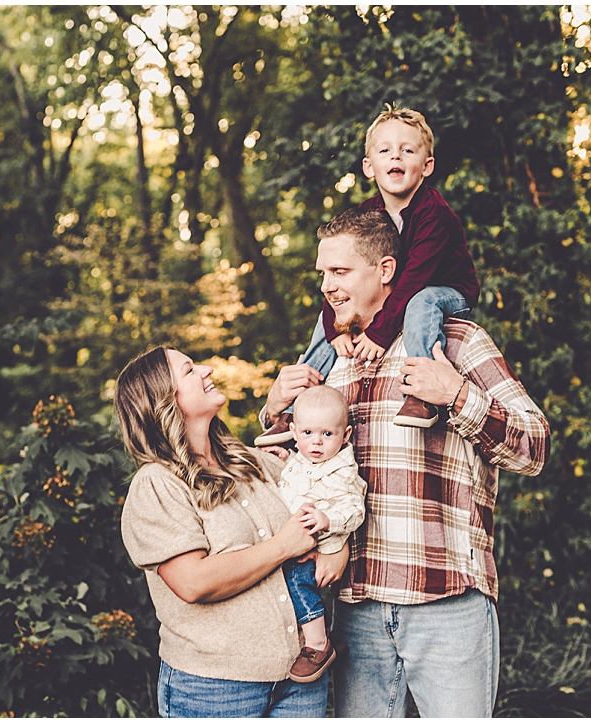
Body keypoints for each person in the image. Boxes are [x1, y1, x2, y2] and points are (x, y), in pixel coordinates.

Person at [259, 209, 550, 717]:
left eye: (340, 271)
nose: (326, 286)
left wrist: (457, 394)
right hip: (354, 608)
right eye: (323, 273)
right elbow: (290, 467)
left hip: (446, 602)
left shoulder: (455, 342)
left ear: (385, 270)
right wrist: (273, 409)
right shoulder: (329, 360)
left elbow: (534, 446)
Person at [114, 347, 349, 718]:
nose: (206, 370)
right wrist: (282, 546)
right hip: (215, 688)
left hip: (300, 679)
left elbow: (328, 491)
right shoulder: (157, 484)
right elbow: (193, 582)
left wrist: (337, 547)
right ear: (163, 400)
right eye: (189, 370)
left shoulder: (252, 462)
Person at [256, 106, 480, 445]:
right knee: (330, 315)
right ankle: (294, 410)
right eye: (385, 150)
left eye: (408, 150)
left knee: (422, 301)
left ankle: (421, 393)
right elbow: (339, 279)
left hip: (446, 290)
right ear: (368, 166)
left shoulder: (435, 215)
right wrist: (335, 329)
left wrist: (378, 333)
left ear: (427, 166)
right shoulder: (366, 214)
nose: (396, 156)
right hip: (403, 293)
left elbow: (413, 280)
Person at [274, 385, 367, 684]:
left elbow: (355, 511)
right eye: (307, 433)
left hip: (320, 545)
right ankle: (317, 634)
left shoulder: (343, 471)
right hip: (293, 541)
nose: (316, 441)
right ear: (293, 431)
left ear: (345, 435)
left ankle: (318, 644)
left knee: (297, 581)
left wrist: (328, 520)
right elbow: (297, 481)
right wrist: (285, 461)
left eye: (327, 434)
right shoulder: (301, 460)